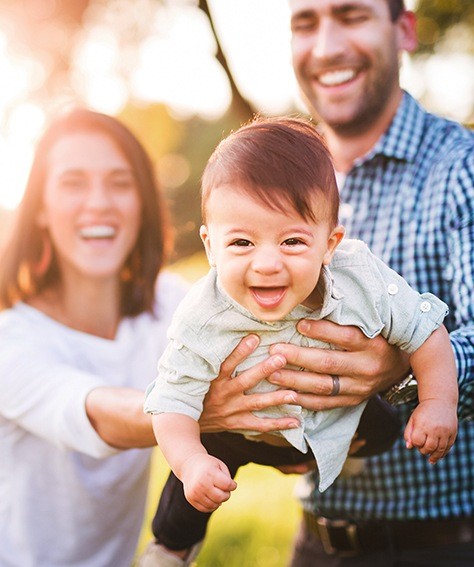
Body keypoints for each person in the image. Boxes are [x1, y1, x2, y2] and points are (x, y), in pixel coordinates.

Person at [141, 116, 458, 566]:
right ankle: (168, 550)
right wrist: (191, 461)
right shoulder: (202, 314)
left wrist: (437, 402)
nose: (267, 263)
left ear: (330, 244)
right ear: (210, 247)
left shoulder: (361, 279)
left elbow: (425, 330)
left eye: (291, 240)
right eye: (242, 243)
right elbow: (170, 401)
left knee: (387, 429)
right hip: (246, 428)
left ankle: (337, 451)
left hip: (341, 413)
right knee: (198, 466)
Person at [0, 108, 301, 567]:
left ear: (141, 201)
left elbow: (260, 365)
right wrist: (194, 407)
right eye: (73, 183)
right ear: (39, 208)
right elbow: (95, 413)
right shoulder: (12, 335)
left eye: (120, 183)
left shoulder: (173, 306)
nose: (99, 202)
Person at [274, 0, 474, 564]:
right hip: (314, 543)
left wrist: (409, 365)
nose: (327, 46)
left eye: (352, 15)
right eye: (305, 23)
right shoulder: (280, 183)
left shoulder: (461, 168)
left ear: (404, 29)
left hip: (446, 545)